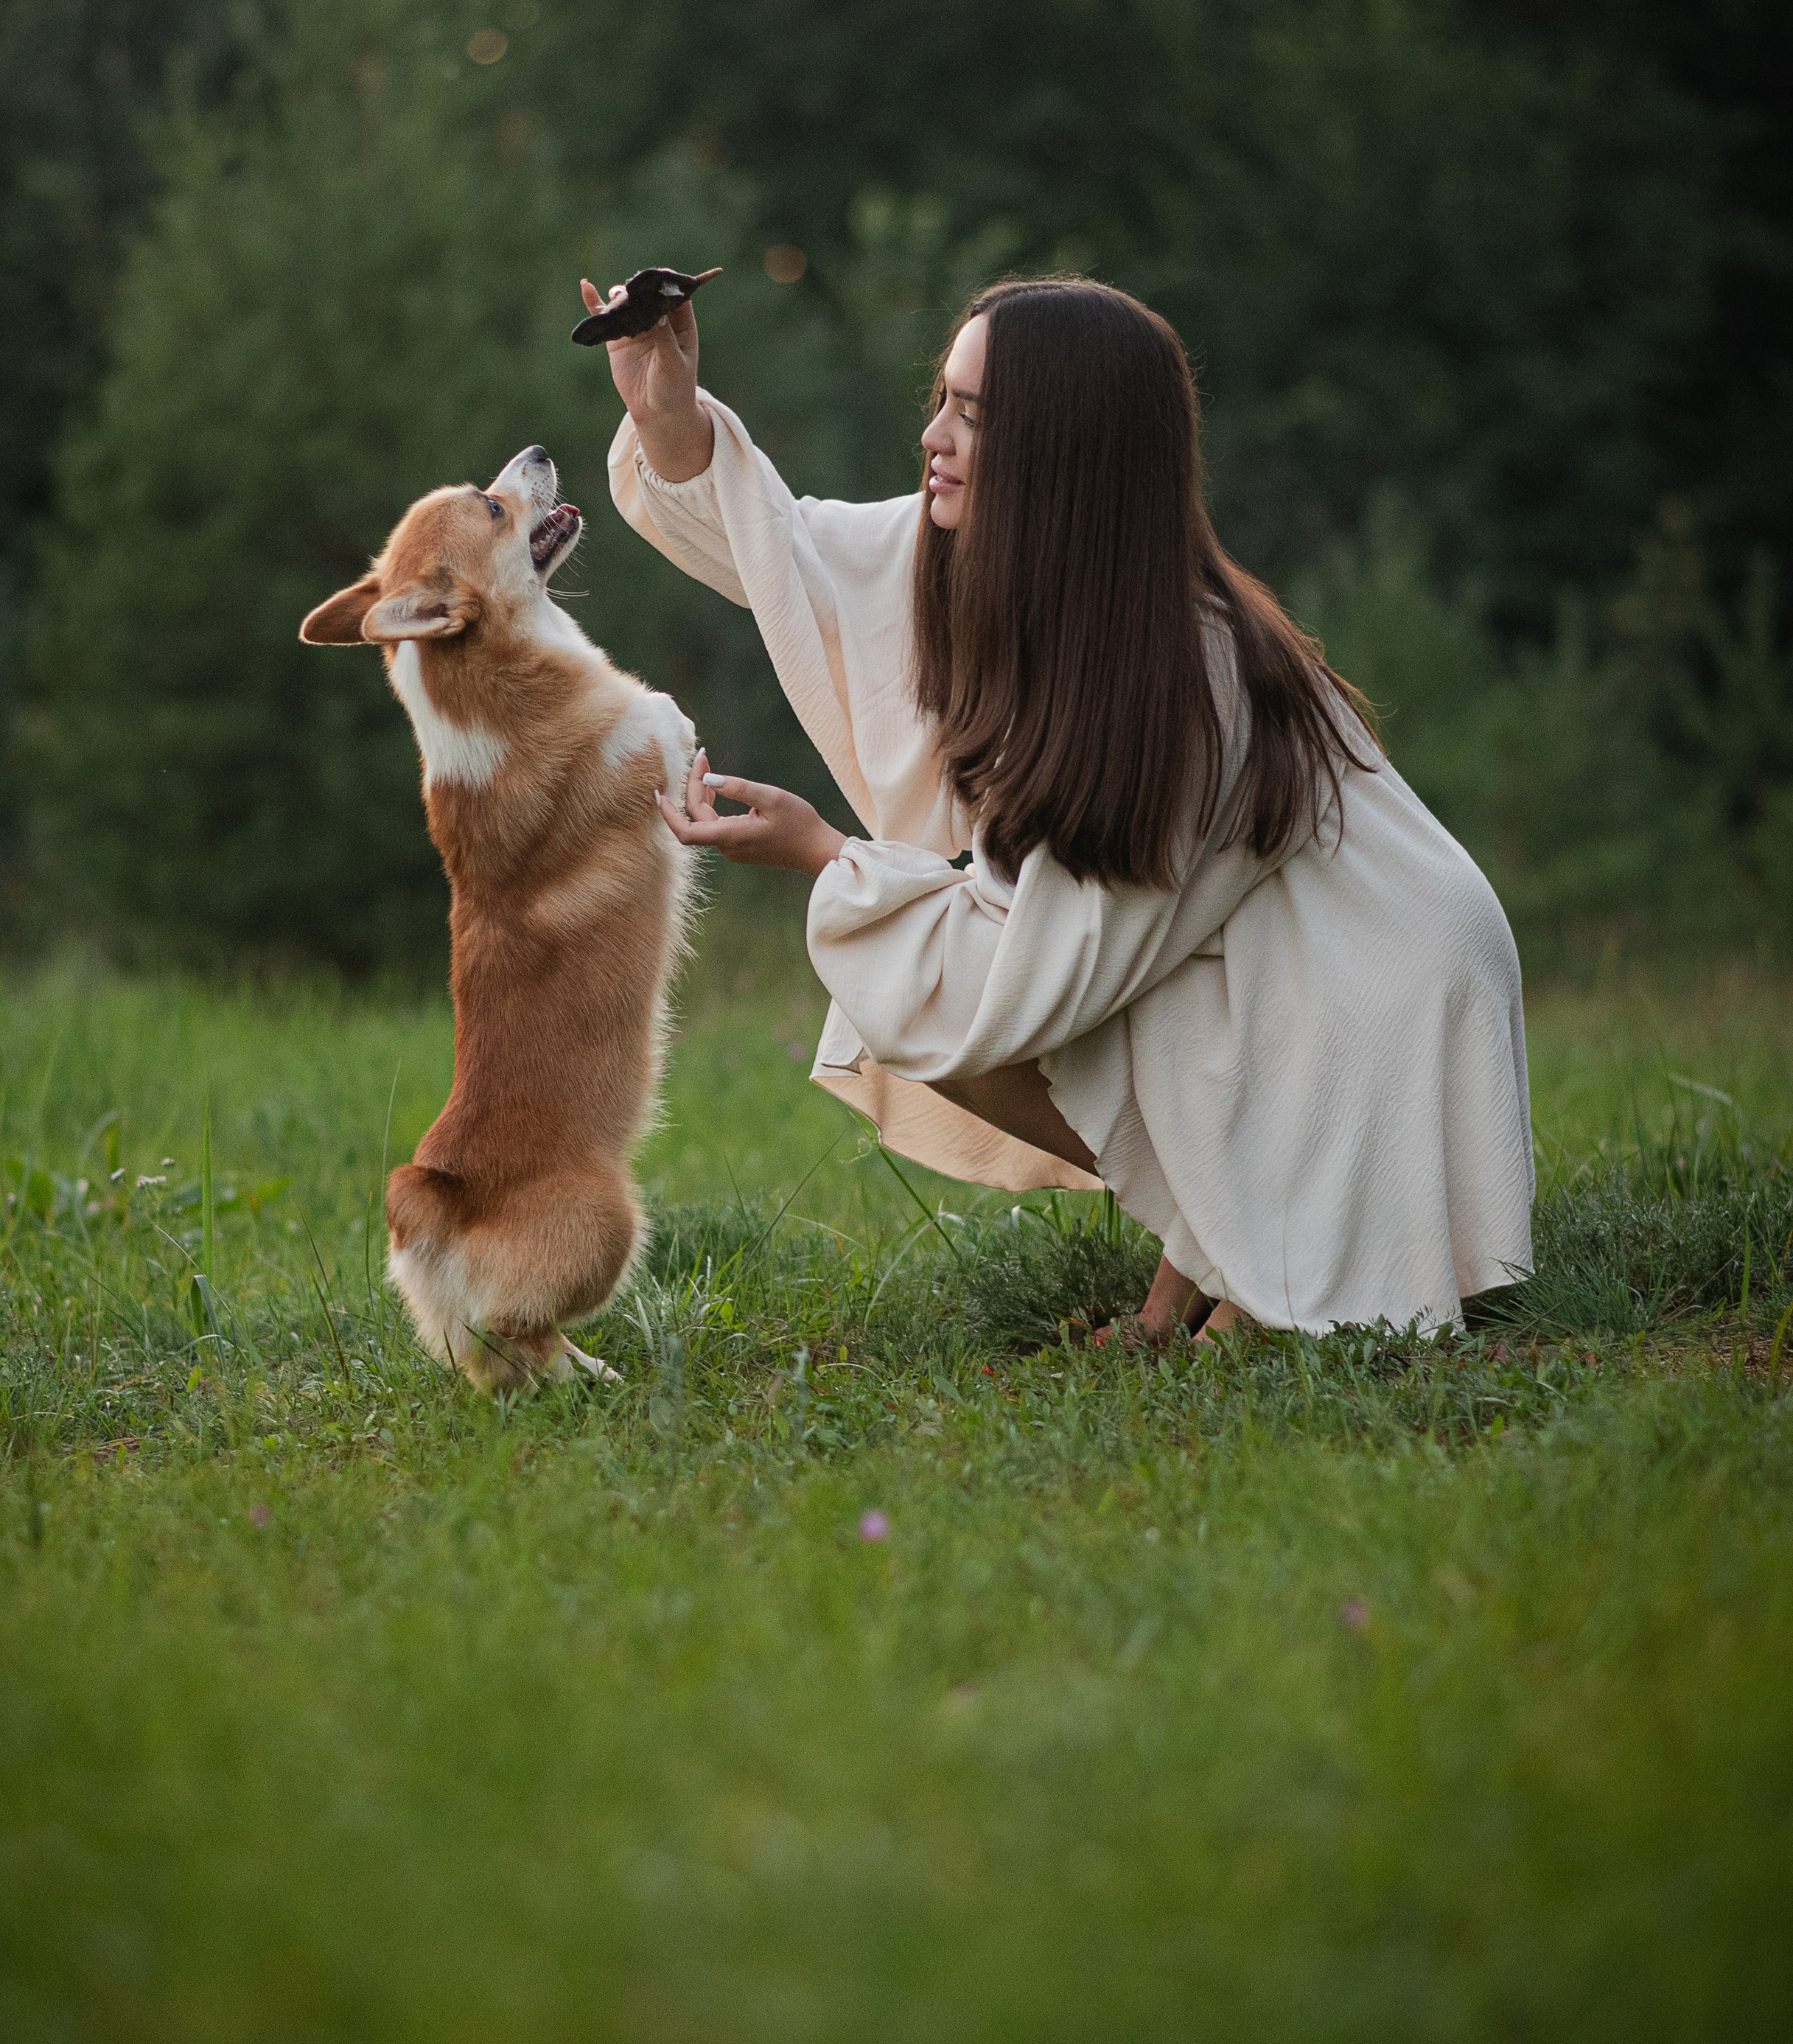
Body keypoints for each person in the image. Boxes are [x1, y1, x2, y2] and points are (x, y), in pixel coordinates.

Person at [584, 270, 1534, 1341]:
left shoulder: (1175, 665)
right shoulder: (1000, 561)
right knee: (923, 972)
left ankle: (1263, 1275)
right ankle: (1211, 1269)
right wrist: (668, 414)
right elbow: (791, 557)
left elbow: (1031, 986)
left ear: (1066, 453)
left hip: (1376, 993)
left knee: (939, 981)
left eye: (976, 416)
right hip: (1271, 961)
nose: (936, 437)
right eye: (941, 400)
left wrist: (826, 857)